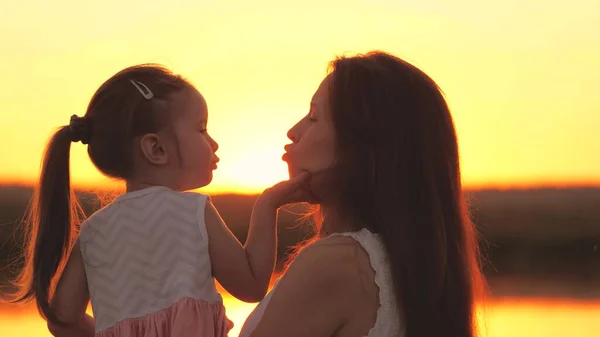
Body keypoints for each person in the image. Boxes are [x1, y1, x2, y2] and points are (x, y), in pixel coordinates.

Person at [11, 65, 308, 337]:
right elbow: (252, 284)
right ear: (156, 148)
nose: (213, 143)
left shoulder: (93, 232)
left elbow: (62, 319)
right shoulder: (192, 210)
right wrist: (268, 204)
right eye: (202, 129)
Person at [240, 51, 485, 337]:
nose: (293, 131)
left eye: (314, 117)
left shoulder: (337, 263)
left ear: (359, 146)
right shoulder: (418, 266)